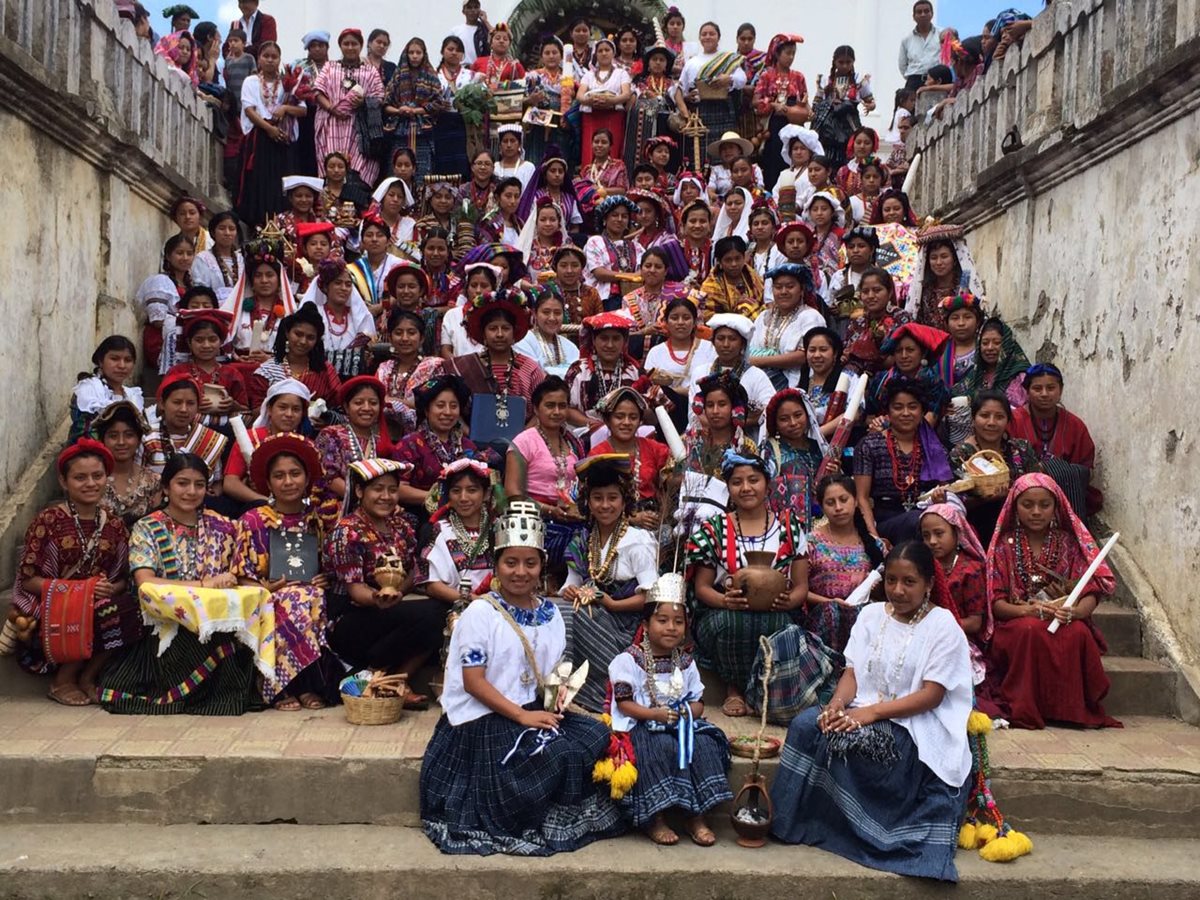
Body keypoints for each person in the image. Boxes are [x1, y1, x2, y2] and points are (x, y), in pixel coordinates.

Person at [419, 499, 624, 855]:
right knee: (554, 753)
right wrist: (523, 716)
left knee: (595, 734)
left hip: (531, 708)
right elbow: (473, 682)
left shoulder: (551, 612)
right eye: (510, 562)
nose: (520, 572)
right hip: (486, 719)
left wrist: (556, 698)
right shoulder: (480, 614)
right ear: (497, 566)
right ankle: (523, 811)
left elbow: (551, 669)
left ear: (542, 566)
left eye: (530, 563)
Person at [770, 540, 972, 882]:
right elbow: (852, 673)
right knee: (809, 725)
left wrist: (873, 714)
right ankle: (794, 821)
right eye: (891, 580)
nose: (897, 590)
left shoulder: (943, 626)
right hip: (862, 708)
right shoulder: (871, 615)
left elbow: (932, 696)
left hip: (913, 724)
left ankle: (867, 827)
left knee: (856, 742)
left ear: (928, 584)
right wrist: (836, 705)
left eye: (909, 582)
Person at [100, 453, 268, 715]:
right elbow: (145, 581)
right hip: (165, 623)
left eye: (199, 485)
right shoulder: (148, 527)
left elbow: (241, 568)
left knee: (228, 637)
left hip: (214, 620)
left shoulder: (224, 526)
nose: (191, 491)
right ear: (166, 488)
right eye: (182, 483)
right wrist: (205, 584)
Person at [983, 474, 1120, 729]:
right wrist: (1029, 611)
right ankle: (1027, 708)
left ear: (1056, 508)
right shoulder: (1004, 546)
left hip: (1063, 618)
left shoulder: (1068, 543)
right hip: (1019, 622)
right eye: (1027, 505)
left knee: (1078, 633)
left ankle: (1070, 711)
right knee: (1029, 630)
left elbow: (1090, 590)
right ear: (1014, 507)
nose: (1036, 512)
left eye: (1044, 505)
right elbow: (996, 604)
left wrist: (1076, 613)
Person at [13, 440, 143, 704]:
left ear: (107, 478)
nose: (90, 483)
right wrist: (79, 592)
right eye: (80, 477)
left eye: (97, 476)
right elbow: (28, 580)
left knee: (128, 607)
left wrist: (108, 588)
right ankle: (62, 680)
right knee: (89, 609)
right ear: (64, 481)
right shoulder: (48, 521)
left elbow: (121, 579)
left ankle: (88, 677)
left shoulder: (114, 524)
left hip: (98, 601)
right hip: (53, 606)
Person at [605, 578, 732, 846]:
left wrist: (687, 713)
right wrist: (656, 715)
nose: (671, 627)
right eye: (662, 620)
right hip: (643, 723)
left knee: (706, 744)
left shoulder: (685, 661)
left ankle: (696, 815)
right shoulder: (629, 660)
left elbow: (698, 701)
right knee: (660, 746)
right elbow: (625, 704)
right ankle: (656, 817)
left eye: (678, 622)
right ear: (645, 625)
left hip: (680, 722)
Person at [686, 450, 812, 717]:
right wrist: (725, 600)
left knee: (782, 627)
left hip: (776, 611)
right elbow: (702, 588)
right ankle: (735, 688)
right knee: (733, 623)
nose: (746, 488)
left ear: (767, 483)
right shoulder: (715, 528)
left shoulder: (789, 527)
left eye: (753, 480)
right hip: (725, 612)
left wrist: (789, 600)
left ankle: (764, 689)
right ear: (728, 487)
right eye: (737, 482)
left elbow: (801, 585)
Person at [324, 459, 444, 692]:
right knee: (433, 616)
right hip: (352, 615)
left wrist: (398, 592)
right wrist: (378, 597)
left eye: (392, 490)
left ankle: (395, 680)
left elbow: (413, 571)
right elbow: (356, 589)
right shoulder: (347, 531)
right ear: (360, 491)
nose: (386, 496)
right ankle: (377, 672)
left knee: (442, 614)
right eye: (378, 489)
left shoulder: (402, 526)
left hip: (390, 607)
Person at [236, 434, 332, 709]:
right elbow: (242, 575)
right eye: (279, 476)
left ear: (307, 478)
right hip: (265, 597)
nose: (288, 482)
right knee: (292, 600)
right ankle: (281, 686)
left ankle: (304, 683)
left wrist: (322, 578)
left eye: (295, 474)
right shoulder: (253, 520)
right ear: (268, 483)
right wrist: (268, 587)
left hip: (309, 595)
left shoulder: (317, 518)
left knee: (311, 596)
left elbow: (324, 565)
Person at [560, 455, 659, 713]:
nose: (605, 505)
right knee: (557, 611)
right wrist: (570, 591)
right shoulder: (582, 540)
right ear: (588, 502)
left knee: (579, 616)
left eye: (612, 498)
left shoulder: (637, 540)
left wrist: (613, 604)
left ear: (624, 501)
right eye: (598, 498)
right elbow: (569, 585)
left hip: (626, 624)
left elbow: (652, 596)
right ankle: (564, 687)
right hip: (592, 613)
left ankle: (603, 691)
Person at [853, 378, 953, 544]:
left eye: (912, 407)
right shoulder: (869, 445)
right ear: (888, 412)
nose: (906, 413)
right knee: (918, 520)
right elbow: (861, 498)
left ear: (922, 411)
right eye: (898, 407)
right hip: (885, 522)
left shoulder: (935, 449)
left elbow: (946, 491)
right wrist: (874, 539)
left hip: (926, 519)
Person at [506, 377, 585, 567]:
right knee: (573, 538)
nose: (557, 412)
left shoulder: (574, 441)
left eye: (562, 406)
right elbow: (513, 495)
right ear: (536, 408)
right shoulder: (523, 441)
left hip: (569, 514)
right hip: (533, 518)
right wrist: (550, 511)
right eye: (550, 405)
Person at [804, 474, 886, 653]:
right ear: (822, 506)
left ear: (855, 501)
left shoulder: (874, 544)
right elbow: (799, 590)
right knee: (833, 612)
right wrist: (830, 601)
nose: (838, 508)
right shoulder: (811, 542)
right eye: (830, 503)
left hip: (864, 618)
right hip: (824, 619)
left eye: (843, 500)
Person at [949, 389, 1041, 546]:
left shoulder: (1021, 448)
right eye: (984, 416)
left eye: (999, 417)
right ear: (973, 419)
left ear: (1008, 421)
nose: (991, 422)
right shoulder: (961, 455)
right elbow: (955, 500)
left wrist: (1012, 495)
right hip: (977, 524)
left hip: (1021, 521)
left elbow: (1038, 484)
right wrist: (983, 498)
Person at [1008, 363, 1101, 517]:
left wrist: (1054, 471)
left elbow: (1086, 471)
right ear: (1027, 391)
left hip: (1064, 494)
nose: (1044, 394)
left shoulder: (1075, 425)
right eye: (1037, 389)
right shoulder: (1013, 421)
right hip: (1021, 494)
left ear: (1061, 390)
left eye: (1051, 388)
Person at [238, 42, 307, 230]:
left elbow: (302, 110)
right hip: (260, 136)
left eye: (274, 57)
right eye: (266, 56)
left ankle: (281, 224)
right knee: (260, 181)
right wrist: (269, 129)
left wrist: (284, 108)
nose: (269, 60)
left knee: (280, 182)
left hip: (283, 139)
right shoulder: (251, 82)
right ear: (259, 59)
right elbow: (250, 110)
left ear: (279, 59)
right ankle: (259, 224)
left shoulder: (287, 83)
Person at [921, 501, 991, 683]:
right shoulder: (923, 567)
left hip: (961, 638)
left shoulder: (970, 570)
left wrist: (937, 628)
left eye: (939, 533)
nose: (932, 541)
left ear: (956, 533)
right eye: (926, 536)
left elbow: (975, 623)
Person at [223, 379, 313, 510]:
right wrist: (266, 501)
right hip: (255, 507)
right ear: (269, 409)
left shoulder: (307, 445)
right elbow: (230, 483)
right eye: (282, 407)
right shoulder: (250, 438)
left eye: (296, 409)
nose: (289, 414)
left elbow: (313, 488)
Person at [315, 377, 395, 523]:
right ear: (346, 407)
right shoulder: (331, 434)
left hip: (375, 505)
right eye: (358, 403)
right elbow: (329, 478)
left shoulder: (380, 441)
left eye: (373, 403)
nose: (366, 408)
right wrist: (363, 500)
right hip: (337, 506)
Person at [416, 458, 496, 603]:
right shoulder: (439, 530)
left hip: (497, 611)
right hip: (452, 609)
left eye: (472, 490)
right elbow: (432, 585)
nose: (463, 498)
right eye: (456, 491)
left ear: (486, 494)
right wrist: (476, 602)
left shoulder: (498, 529)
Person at [589, 387, 670, 527]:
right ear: (608, 421)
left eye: (633, 417)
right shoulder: (598, 455)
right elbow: (592, 503)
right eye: (619, 417)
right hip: (613, 524)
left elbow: (672, 483)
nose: (626, 422)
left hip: (655, 522)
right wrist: (631, 518)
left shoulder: (654, 448)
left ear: (640, 421)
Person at [314, 29, 386, 185]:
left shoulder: (370, 70)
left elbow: (380, 96)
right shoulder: (329, 67)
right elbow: (317, 92)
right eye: (346, 44)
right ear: (340, 46)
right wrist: (332, 108)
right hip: (331, 124)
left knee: (358, 169)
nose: (350, 47)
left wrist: (363, 102)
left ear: (361, 46)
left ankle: (355, 202)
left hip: (358, 127)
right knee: (332, 165)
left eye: (354, 44)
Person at [248, 302, 343, 410]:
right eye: (298, 334)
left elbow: (339, 406)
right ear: (287, 333)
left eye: (310, 337)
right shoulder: (267, 371)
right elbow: (257, 411)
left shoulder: (324, 370)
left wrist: (325, 418)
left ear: (317, 341)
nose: (303, 341)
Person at [166, 309, 249, 429]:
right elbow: (162, 407)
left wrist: (233, 405)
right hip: (185, 431)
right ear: (189, 343)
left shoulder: (232, 373)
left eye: (212, 339)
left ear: (221, 342)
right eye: (199, 340)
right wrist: (192, 406)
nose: (206, 345)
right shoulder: (178, 372)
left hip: (226, 434)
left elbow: (246, 411)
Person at [748, 264, 824, 391]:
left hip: (794, 382)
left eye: (790, 286)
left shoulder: (810, 317)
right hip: (759, 379)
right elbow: (751, 349)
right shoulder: (763, 316)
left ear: (801, 290)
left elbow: (804, 355)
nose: (783, 292)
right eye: (778, 287)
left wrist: (760, 361)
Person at [142, 374, 229, 485]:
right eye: (177, 402)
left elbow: (217, 483)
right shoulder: (148, 437)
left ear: (198, 406)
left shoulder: (208, 439)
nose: (184, 409)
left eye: (190, 403)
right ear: (162, 404)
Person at [760, 389, 828, 529]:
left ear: (807, 415)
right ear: (775, 423)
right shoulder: (770, 450)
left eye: (798, 415)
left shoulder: (818, 448)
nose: (793, 423)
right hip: (787, 526)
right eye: (784, 419)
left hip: (822, 524)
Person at [564, 312, 641, 430]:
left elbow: (647, 413)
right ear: (594, 340)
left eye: (616, 339)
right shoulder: (579, 370)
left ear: (624, 341)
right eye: (604, 338)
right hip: (586, 437)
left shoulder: (635, 371)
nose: (610, 345)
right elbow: (566, 408)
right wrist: (597, 426)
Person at [644, 297, 716, 423]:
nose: (680, 322)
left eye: (686, 318)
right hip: (667, 416)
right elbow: (652, 390)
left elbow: (714, 384)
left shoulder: (709, 348)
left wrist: (674, 391)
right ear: (665, 322)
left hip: (704, 410)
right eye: (674, 318)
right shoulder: (656, 352)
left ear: (695, 322)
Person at [676, 23, 746, 150]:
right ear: (700, 38)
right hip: (700, 112)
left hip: (724, 110)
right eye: (704, 34)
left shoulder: (728, 59)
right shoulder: (691, 63)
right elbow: (680, 89)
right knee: (702, 151)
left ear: (718, 37)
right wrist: (687, 97)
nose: (708, 37)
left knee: (725, 148)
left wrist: (729, 78)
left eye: (712, 34)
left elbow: (742, 80)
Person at [91, 401, 161, 527]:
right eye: (113, 436)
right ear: (103, 440)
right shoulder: (91, 481)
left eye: (129, 435)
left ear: (139, 439)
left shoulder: (152, 481)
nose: (121, 442)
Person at [755, 34, 811, 191]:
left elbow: (805, 101)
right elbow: (755, 101)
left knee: (795, 160)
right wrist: (773, 105)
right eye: (787, 53)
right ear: (777, 54)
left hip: (793, 125)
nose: (791, 57)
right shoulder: (767, 76)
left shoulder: (798, 77)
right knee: (773, 162)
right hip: (774, 126)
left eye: (793, 53)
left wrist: (807, 111)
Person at [384, 38, 442, 183]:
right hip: (400, 132)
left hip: (423, 132)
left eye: (418, 52)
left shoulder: (431, 75)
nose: (415, 56)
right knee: (397, 172)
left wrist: (416, 111)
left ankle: (420, 205)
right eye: (411, 52)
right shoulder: (397, 75)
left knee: (423, 174)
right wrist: (399, 111)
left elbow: (438, 103)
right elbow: (385, 105)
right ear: (406, 54)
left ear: (424, 54)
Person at [907, 221, 986, 324]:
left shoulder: (966, 286)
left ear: (954, 259)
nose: (939, 263)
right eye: (934, 258)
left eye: (944, 256)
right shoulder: (923, 292)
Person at [812, 46, 876, 172]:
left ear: (853, 62)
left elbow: (871, 101)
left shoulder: (858, 79)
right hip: (829, 123)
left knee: (851, 151)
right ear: (834, 62)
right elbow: (816, 103)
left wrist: (870, 106)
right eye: (841, 62)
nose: (845, 66)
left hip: (850, 121)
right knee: (828, 154)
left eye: (848, 62)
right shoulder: (826, 80)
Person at [71, 336, 144, 443]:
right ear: (101, 361)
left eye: (128, 360)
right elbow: (84, 433)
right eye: (114, 359)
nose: (122, 365)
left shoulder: (132, 395)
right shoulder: (89, 389)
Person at [842, 267, 912, 375]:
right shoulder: (857, 321)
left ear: (889, 293)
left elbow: (903, 357)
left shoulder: (901, 318)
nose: (870, 296)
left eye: (877, 290)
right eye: (865, 291)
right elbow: (847, 353)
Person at [624, 44, 680, 176]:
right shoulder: (638, 82)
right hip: (640, 128)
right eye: (654, 59)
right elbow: (630, 106)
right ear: (648, 63)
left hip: (664, 127)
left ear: (667, 65)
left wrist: (657, 99)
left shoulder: (672, 84)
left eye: (662, 60)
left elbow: (675, 104)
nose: (658, 63)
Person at [577, 39, 632, 171]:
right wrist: (590, 101)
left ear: (613, 53)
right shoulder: (588, 75)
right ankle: (587, 182)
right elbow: (579, 95)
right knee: (590, 149)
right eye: (600, 51)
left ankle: (613, 181)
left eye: (607, 50)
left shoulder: (621, 73)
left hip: (613, 115)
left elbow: (626, 94)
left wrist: (611, 101)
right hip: (591, 116)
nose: (604, 53)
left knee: (612, 148)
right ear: (595, 54)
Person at [522, 37, 574, 169]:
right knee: (536, 162)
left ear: (561, 56)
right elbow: (520, 100)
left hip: (560, 127)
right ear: (541, 57)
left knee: (558, 164)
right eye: (547, 53)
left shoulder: (568, 78)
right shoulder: (533, 76)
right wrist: (530, 100)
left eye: (555, 53)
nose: (551, 56)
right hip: (537, 127)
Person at [584, 195, 640, 310]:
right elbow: (599, 272)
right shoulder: (595, 242)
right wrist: (630, 276)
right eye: (614, 215)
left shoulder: (635, 246)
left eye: (624, 216)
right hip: (602, 300)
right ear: (604, 219)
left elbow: (643, 270)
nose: (619, 219)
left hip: (631, 301)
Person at [431, 36, 477, 178]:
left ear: (463, 54)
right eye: (450, 49)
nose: (454, 53)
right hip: (440, 124)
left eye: (458, 50)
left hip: (463, 124)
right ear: (442, 51)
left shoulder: (471, 75)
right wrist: (436, 105)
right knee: (442, 162)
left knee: (462, 161)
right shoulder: (433, 75)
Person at [964, 317, 1031, 410]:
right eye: (985, 343)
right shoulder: (974, 376)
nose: (990, 347)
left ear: (1007, 344)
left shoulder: (1022, 378)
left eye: (997, 342)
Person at [514, 287, 579, 379]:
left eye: (557, 313)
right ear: (535, 314)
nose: (552, 318)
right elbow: (532, 375)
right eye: (546, 312)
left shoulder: (570, 347)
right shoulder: (523, 340)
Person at [797, 326, 846, 435]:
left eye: (823, 350)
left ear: (835, 353)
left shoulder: (848, 379)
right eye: (812, 350)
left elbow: (853, 414)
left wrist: (816, 436)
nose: (817, 355)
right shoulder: (802, 385)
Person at [190, 211, 243, 305]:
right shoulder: (203, 258)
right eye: (222, 228)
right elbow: (201, 292)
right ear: (213, 232)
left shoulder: (242, 259)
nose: (227, 233)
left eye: (232, 229)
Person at [899, 1, 943, 91]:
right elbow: (902, 65)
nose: (923, 14)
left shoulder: (941, 34)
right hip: (914, 82)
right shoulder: (906, 40)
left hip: (937, 81)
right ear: (914, 16)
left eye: (926, 11)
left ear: (932, 14)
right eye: (919, 12)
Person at [450, 0, 489, 66]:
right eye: (469, 7)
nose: (473, 10)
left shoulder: (484, 29)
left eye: (476, 7)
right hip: (463, 70)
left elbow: (497, 36)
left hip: (482, 70)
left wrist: (485, 21)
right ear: (463, 11)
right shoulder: (455, 31)